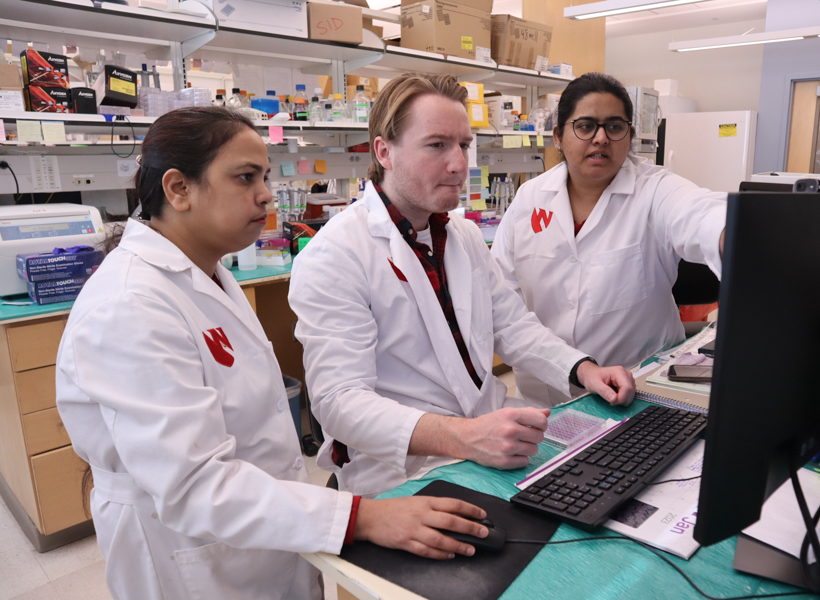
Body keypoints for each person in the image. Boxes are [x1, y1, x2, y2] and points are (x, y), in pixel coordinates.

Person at [56, 107, 499, 600]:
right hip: (193, 557)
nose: (266, 194)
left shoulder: (207, 274)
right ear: (179, 189)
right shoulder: (128, 304)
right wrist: (363, 516)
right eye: (245, 178)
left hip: (266, 533)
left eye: (264, 176)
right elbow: (193, 485)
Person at [289, 73, 635, 499]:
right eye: (437, 145)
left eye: (464, 145)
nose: (459, 164)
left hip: (487, 443)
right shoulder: (335, 255)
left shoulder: (462, 235)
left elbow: (513, 327)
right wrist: (463, 437)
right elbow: (339, 404)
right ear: (385, 152)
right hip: (403, 475)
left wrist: (585, 369)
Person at [491, 73, 727, 407]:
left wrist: (732, 234)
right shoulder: (530, 198)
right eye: (585, 126)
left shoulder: (655, 190)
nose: (601, 138)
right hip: (544, 395)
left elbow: (700, 213)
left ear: (629, 135)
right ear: (558, 136)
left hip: (640, 392)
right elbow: (502, 298)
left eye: (614, 127)